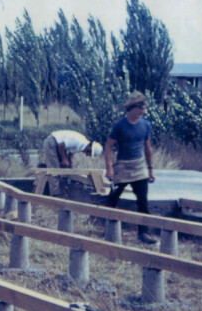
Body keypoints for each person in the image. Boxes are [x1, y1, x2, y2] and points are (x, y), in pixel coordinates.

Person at [103, 92, 158, 244]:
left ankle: (143, 233)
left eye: (144, 109)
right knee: (113, 198)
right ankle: (110, 229)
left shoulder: (146, 125)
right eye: (140, 109)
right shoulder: (119, 125)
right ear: (132, 108)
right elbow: (108, 146)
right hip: (123, 166)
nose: (142, 112)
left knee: (143, 201)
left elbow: (148, 148)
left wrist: (150, 169)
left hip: (139, 167)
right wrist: (109, 168)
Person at [38, 129, 103, 169]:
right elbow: (61, 145)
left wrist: (70, 163)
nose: (87, 155)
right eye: (89, 154)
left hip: (57, 144)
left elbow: (70, 152)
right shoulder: (78, 141)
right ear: (89, 148)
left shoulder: (81, 145)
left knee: (63, 168)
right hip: (52, 142)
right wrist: (64, 159)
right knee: (54, 172)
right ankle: (55, 191)